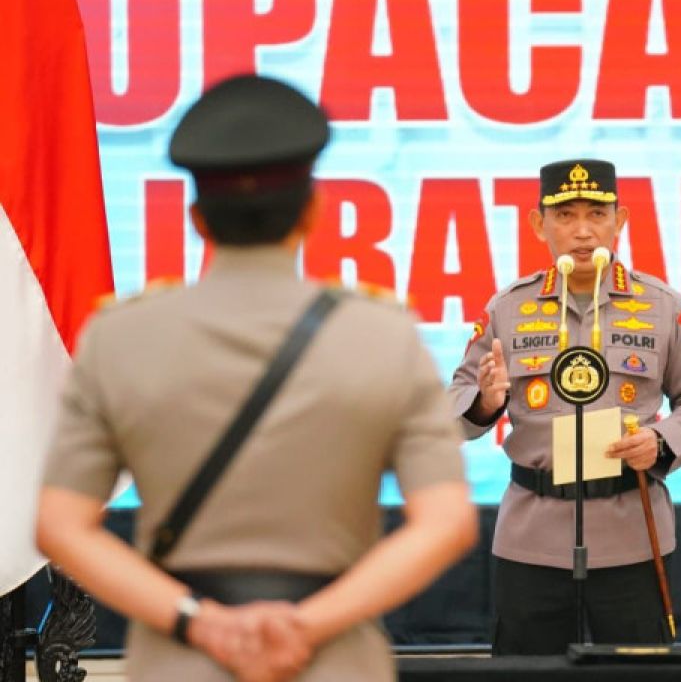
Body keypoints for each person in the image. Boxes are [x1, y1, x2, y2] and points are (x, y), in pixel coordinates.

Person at [35, 75, 477, 681]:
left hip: (180, 660)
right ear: (312, 210)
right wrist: (310, 623)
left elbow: (60, 526)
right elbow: (447, 524)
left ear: (196, 217)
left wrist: (199, 622)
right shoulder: (382, 335)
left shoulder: (119, 338)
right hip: (333, 660)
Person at [449, 159, 681, 655]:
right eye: (565, 215)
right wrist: (485, 403)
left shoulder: (661, 305)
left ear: (620, 220)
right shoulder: (507, 307)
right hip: (532, 536)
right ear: (539, 224)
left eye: (596, 214)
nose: (581, 231)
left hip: (630, 533)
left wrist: (661, 441)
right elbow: (455, 406)